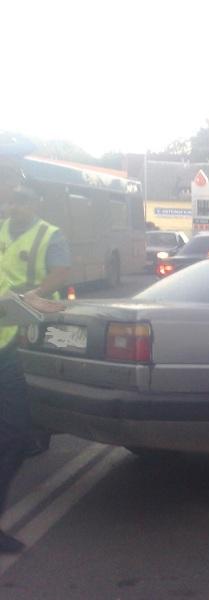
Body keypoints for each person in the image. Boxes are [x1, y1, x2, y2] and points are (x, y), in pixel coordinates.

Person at [0, 184, 71, 553]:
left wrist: (35, 293)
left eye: (22, 199)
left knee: (15, 434)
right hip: (4, 343)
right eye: (11, 199)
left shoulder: (48, 234)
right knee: (13, 433)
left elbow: (60, 272)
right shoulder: (0, 229)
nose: (15, 205)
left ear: (35, 202)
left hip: (23, 339)